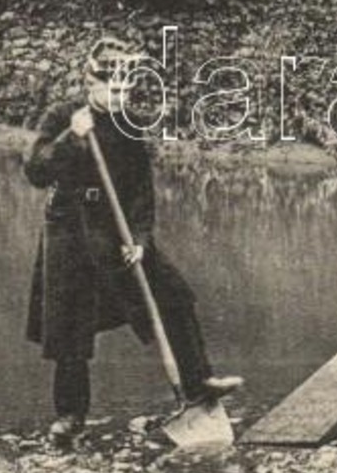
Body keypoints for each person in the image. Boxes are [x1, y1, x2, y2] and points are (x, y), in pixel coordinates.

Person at [24, 37, 241, 448]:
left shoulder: (130, 124)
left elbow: (141, 188)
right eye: (114, 88)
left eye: (126, 89)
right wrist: (72, 137)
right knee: (71, 327)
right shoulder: (62, 115)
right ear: (92, 82)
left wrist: (141, 238)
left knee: (174, 295)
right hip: (69, 228)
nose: (121, 96)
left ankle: (198, 385)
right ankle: (70, 416)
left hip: (116, 228)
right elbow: (35, 170)